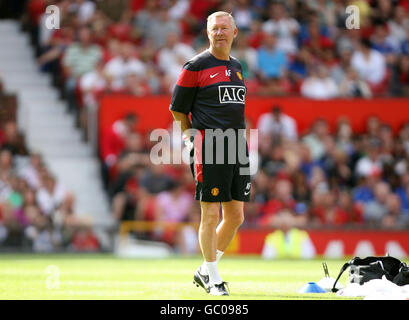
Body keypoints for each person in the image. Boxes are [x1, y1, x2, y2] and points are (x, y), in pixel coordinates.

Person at [169, 11, 250, 296]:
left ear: (235, 32)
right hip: (210, 144)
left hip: (237, 145)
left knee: (236, 216)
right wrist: (191, 137)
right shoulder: (195, 65)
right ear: (207, 33)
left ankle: (205, 270)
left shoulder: (238, 66)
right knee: (210, 214)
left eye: (225, 28)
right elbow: (178, 108)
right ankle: (214, 279)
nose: (220, 33)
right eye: (214, 28)